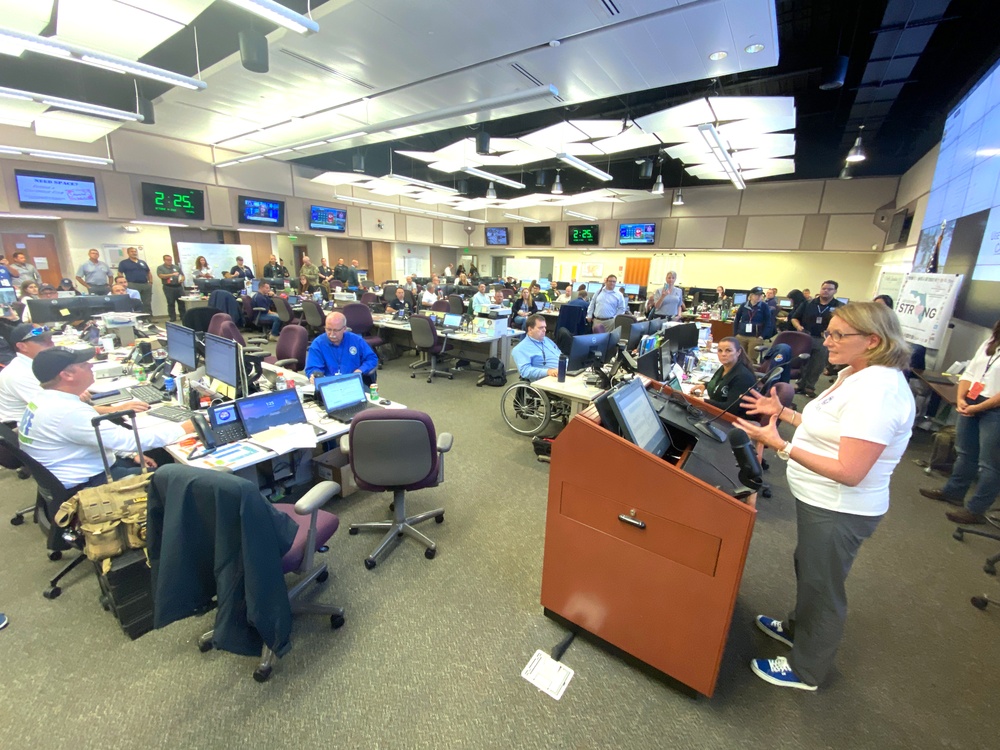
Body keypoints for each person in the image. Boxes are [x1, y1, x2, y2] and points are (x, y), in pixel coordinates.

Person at [734, 301, 915, 691]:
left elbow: (851, 471)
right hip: (820, 501)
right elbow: (833, 429)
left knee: (823, 587)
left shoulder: (879, 392)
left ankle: (806, 669)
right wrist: (785, 414)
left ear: (872, 340)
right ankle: (797, 630)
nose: (825, 341)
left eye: (837, 335)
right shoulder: (856, 374)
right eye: (828, 332)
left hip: (840, 507)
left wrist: (780, 445)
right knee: (809, 567)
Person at [19, 346, 193, 489]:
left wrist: (130, 454)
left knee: (160, 458)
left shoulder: (44, 399)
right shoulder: (67, 412)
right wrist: (184, 428)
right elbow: (130, 440)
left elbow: (95, 437)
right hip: (88, 485)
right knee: (184, 481)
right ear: (67, 375)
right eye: (84, 364)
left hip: (73, 473)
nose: (91, 366)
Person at [919, 318, 1000, 524]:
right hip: (971, 401)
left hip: (994, 409)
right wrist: (961, 398)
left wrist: (978, 407)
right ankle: (953, 492)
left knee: (990, 463)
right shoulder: (991, 341)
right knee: (965, 452)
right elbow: (971, 372)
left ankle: (976, 510)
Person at [0, 324, 148, 424]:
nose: (52, 345)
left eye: (51, 340)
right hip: (35, 429)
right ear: (21, 346)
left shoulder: (35, 365)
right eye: (44, 342)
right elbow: (60, 409)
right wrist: (116, 409)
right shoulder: (19, 374)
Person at [792, 280, 843, 397]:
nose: (825, 291)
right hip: (806, 337)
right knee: (804, 362)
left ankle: (810, 387)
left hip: (824, 340)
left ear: (835, 291)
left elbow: (844, 324)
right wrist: (799, 327)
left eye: (829, 289)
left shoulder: (839, 307)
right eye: (824, 288)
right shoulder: (808, 303)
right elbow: (795, 318)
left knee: (818, 365)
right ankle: (800, 384)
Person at [689, 337, 758, 417]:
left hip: (732, 421)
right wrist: (705, 385)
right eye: (720, 351)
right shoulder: (725, 367)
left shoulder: (743, 377)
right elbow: (722, 383)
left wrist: (704, 402)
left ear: (738, 352)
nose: (723, 354)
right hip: (716, 413)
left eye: (728, 350)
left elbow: (732, 408)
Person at [305, 312, 378, 383]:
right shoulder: (318, 343)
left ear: (344, 329)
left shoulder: (356, 340)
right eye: (329, 329)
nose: (332, 334)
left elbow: (371, 358)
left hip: (352, 382)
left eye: (336, 330)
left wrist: (361, 370)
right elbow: (313, 367)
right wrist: (314, 376)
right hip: (328, 384)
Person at [512, 314, 562, 382]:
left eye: (545, 327)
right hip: (548, 380)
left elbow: (560, 355)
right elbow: (525, 371)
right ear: (530, 329)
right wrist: (548, 371)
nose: (544, 330)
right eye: (541, 328)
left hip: (563, 373)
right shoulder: (520, 349)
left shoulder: (547, 340)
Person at [732, 286, 773, 359]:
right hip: (741, 335)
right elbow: (737, 319)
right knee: (738, 357)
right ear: (751, 295)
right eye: (757, 295)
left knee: (751, 359)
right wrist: (735, 334)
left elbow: (768, 322)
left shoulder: (764, 306)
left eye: (761, 295)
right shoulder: (744, 305)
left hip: (755, 337)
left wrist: (762, 336)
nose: (759, 297)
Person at [117, 247, 153, 314]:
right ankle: (138, 317)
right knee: (135, 301)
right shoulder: (124, 263)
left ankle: (148, 318)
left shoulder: (142, 262)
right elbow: (120, 273)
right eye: (132, 251)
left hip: (145, 284)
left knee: (147, 302)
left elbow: (148, 272)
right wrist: (121, 283)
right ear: (128, 253)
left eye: (135, 251)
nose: (134, 253)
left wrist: (150, 282)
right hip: (132, 284)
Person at [156, 254, 185, 322]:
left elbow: (182, 275)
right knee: (171, 303)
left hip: (178, 287)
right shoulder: (160, 268)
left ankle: (183, 316)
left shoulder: (176, 267)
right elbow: (161, 276)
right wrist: (172, 274)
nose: (169, 261)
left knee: (181, 302)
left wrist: (182, 279)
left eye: (170, 260)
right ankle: (172, 317)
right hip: (168, 287)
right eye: (168, 260)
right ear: (164, 260)